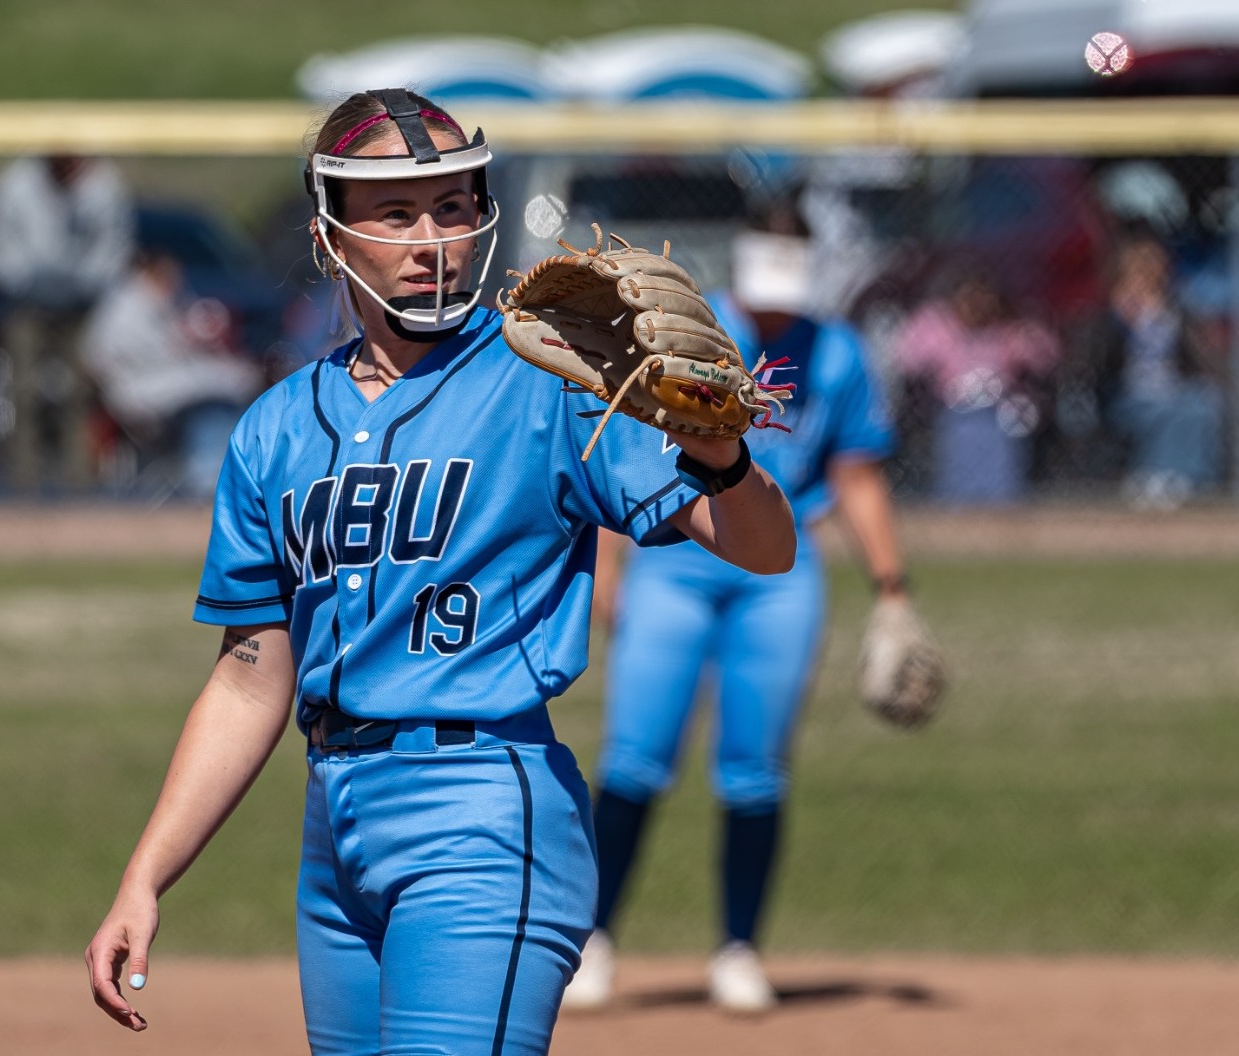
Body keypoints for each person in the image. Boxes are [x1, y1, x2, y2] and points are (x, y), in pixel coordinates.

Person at [81, 89, 795, 1056]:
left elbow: (763, 546)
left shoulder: (549, 382)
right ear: (331, 233)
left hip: (484, 813)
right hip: (335, 827)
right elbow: (251, 674)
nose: (434, 239)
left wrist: (722, 453)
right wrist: (145, 876)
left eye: (454, 206)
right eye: (398, 212)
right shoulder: (276, 428)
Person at [566, 196, 907, 1014]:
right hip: (676, 560)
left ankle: (739, 949)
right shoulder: (694, 332)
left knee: (754, 764)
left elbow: (857, 472)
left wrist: (892, 590)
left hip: (779, 574)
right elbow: (623, 447)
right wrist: (609, 564)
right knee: (636, 755)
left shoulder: (837, 354)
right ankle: (595, 942)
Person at [0, 153, 133, 494]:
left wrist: (86, 283)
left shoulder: (102, 184)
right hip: (26, 302)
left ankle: (79, 479)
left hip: (81, 304)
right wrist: (22, 280)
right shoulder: (15, 181)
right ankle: (24, 480)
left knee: (80, 391)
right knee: (23, 389)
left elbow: (114, 243)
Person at [80, 251, 262, 501]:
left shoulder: (164, 305)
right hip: (144, 400)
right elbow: (97, 358)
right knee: (211, 411)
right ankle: (208, 484)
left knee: (224, 400)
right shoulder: (126, 308)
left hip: (172, 393)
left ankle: (217, 481)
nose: (175, 282)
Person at [1069, 232, 1227, 508]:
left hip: (1172, 388)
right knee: (1167, 409)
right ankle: (1154, 476)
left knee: (1200, 403)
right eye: (1141, 267)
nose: (1149, 275)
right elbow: (1091, 363)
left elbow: (1199, 357)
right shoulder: (1106, 315)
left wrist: (1167, 318)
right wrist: (1121, 322)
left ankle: (1183, 481)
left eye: (1155, 267)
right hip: (1124, 394)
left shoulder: (1176, 309)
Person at [893, 273, 1059, 504]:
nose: (976, 307)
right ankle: (956, 500)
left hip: (1000, 412)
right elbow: (907, 360)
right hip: (954, 411)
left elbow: (1046, 357)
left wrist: (1020, 329)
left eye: (984, 300)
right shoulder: (938, 326)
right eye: (969, 300)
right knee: (958, 448)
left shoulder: (1007, 329)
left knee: (1009, 434)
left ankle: (1003, 501)